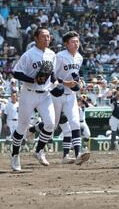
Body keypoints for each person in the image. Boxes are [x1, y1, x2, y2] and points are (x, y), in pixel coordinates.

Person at [10, 27, 57, 171]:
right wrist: (33, 79)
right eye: (43, 36)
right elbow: (16, 73)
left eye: (48, 36)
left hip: (45, 94)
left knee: (50, 124)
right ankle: (15, 156)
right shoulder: (28, 55)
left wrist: (56, 84)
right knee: (22, 127)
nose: (47, 39)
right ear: (36, 38)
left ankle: (39, 151)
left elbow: (52, 74)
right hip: (28, 93)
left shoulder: (52, 54)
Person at [52, 31, 89, 165]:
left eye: (77, 41)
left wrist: (78, 81)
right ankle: (33, 130)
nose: (76, 44)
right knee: (52, 125)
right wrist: (65, 83)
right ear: (66, 44)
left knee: (74, 122)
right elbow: (52, 76)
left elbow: (75, 75)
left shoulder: (79, 57)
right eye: (73, 42)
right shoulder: (59, 56)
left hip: (70, 95)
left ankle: (78, 154)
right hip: (57, 93)